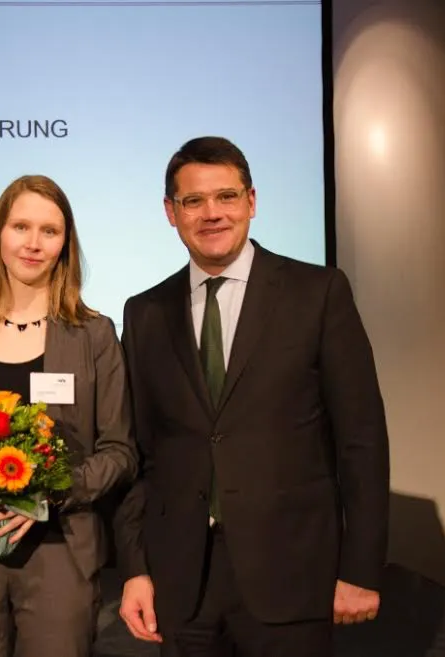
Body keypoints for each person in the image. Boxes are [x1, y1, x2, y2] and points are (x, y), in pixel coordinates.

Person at [114, 136, 390, 657]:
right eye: (193, 201)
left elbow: (362, 439)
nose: (211, 213)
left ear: (252, 202)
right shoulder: (144, 312)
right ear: (171, 212)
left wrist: (360, 568)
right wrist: (136, 568)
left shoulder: (319, 293)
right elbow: (138, 454)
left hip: (293, 575)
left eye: (226, 196)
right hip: (182, 580)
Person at [0, 174, 138, 657]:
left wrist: (49, 493)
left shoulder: (94, 334)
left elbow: (119, 450)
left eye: (49, 231)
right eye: (20, 227)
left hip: (62, 547)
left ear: (65, 244)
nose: (33, 244)